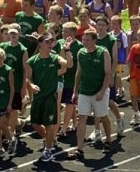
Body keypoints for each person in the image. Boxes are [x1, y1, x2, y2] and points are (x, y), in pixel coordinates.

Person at [70, 30, 113, 160]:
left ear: (94, 40)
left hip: (99, 90)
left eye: (88, 40)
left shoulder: (103, 53)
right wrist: (75, 91)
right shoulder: (81, 53)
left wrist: (102, 91)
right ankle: (80, 148)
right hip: (85, 91)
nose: (85, 42)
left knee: (103, 116)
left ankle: (109, 140)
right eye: (83, 40)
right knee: (81, 117)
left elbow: (108, 73)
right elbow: (79, 72)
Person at [25, 32, 68, 162]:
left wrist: (67, 50)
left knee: (49, 124)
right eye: (47, 42)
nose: (50, 44)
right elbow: (28, 78)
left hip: (50, 97)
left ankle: (48, 149)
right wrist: (31, 86)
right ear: (40, 44)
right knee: (34, 124)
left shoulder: (55, 58)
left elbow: (67, 65)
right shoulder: (32, 61)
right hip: (38, 97)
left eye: (52, 42)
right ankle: (50, 139)